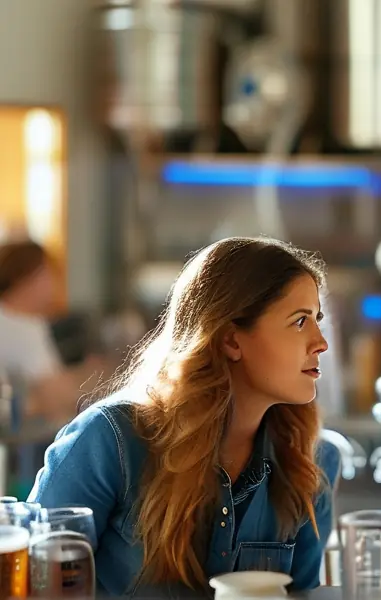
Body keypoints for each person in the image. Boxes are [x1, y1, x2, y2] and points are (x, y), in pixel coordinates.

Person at [28, 237, 341, 597]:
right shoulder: (110, 440)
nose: (321, 342)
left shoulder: (312, 462)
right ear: (231, 341)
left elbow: (301, 595)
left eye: (317, 319)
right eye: (300, 321)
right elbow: (34, 586)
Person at [0, 239, 102, 420]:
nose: (52, 285)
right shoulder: (23, 329)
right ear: (29, 277)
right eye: (48, 273)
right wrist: (93, 375)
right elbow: (57, 398)